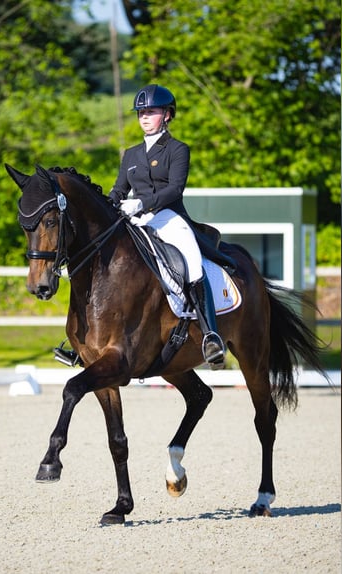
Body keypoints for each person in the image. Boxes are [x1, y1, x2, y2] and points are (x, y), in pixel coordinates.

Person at [108, 84, 226, 369]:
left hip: (170, 218)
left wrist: (141, 203)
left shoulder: (177, 149)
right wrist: (108, 206)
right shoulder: (131, 154)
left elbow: (175, 189)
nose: (144, 118)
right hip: (138, 221)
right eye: (140, 113)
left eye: (150, 112)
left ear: (168, 115)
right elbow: (118, 191)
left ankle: (210, 334)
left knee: (193, 265)